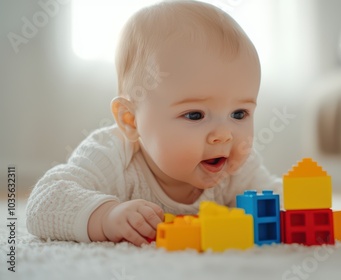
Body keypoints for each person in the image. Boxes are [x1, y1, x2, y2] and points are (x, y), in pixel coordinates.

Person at [26, 0, 281, 247]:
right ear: (131, 121)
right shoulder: (114, 154)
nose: (224, 136)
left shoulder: (236, 168)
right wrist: (106, 216)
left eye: (239, 114)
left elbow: (276, 197)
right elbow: (44, 202)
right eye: (195, 115)